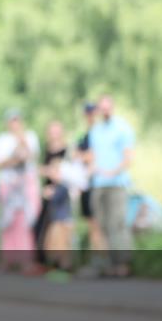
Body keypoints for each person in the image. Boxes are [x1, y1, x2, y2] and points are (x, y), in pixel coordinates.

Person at [88, 94, 136, 278]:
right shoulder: (95, 131)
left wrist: (112, 171)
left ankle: (123, 263)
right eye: (102, 108)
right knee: (102, 225)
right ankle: (109, 263)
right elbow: (93, 156)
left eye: (108, 107)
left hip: (116, 183)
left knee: (118, 223)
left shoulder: (122, 128)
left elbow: (128, 157)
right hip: (98, 184)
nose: (105, 111)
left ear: (112, 107)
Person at [0, 108, 41, 273]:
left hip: (26, 185)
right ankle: (7, 260)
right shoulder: (1, 140)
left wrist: (21, 140)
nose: (15, 124)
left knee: (25, 222)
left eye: (17, 120)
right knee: (7, 223)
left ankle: (26, 260)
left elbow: (30, 156)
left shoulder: (30, 136)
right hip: (8, 184)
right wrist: (14, 159)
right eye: (12, 120)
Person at [35, 120, 70, 270]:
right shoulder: (45, 150)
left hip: (59, 196)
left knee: (60, 237)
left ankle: (61, 265)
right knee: (44, 230)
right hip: (47, 194)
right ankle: (45, 262)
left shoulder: (67, 150)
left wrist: (50, 172)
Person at [76, 102, 106, 253]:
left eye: (93, 113)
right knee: (91, 224)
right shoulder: (85, 136)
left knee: (100, 224)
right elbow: (77, 156)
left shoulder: (103, 134)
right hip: (86, 184)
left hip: (99, 184)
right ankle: (98, 256)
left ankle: (104, 258)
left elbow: (93, 157)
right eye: (88, 114)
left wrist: (84, 156)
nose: (91, 117)